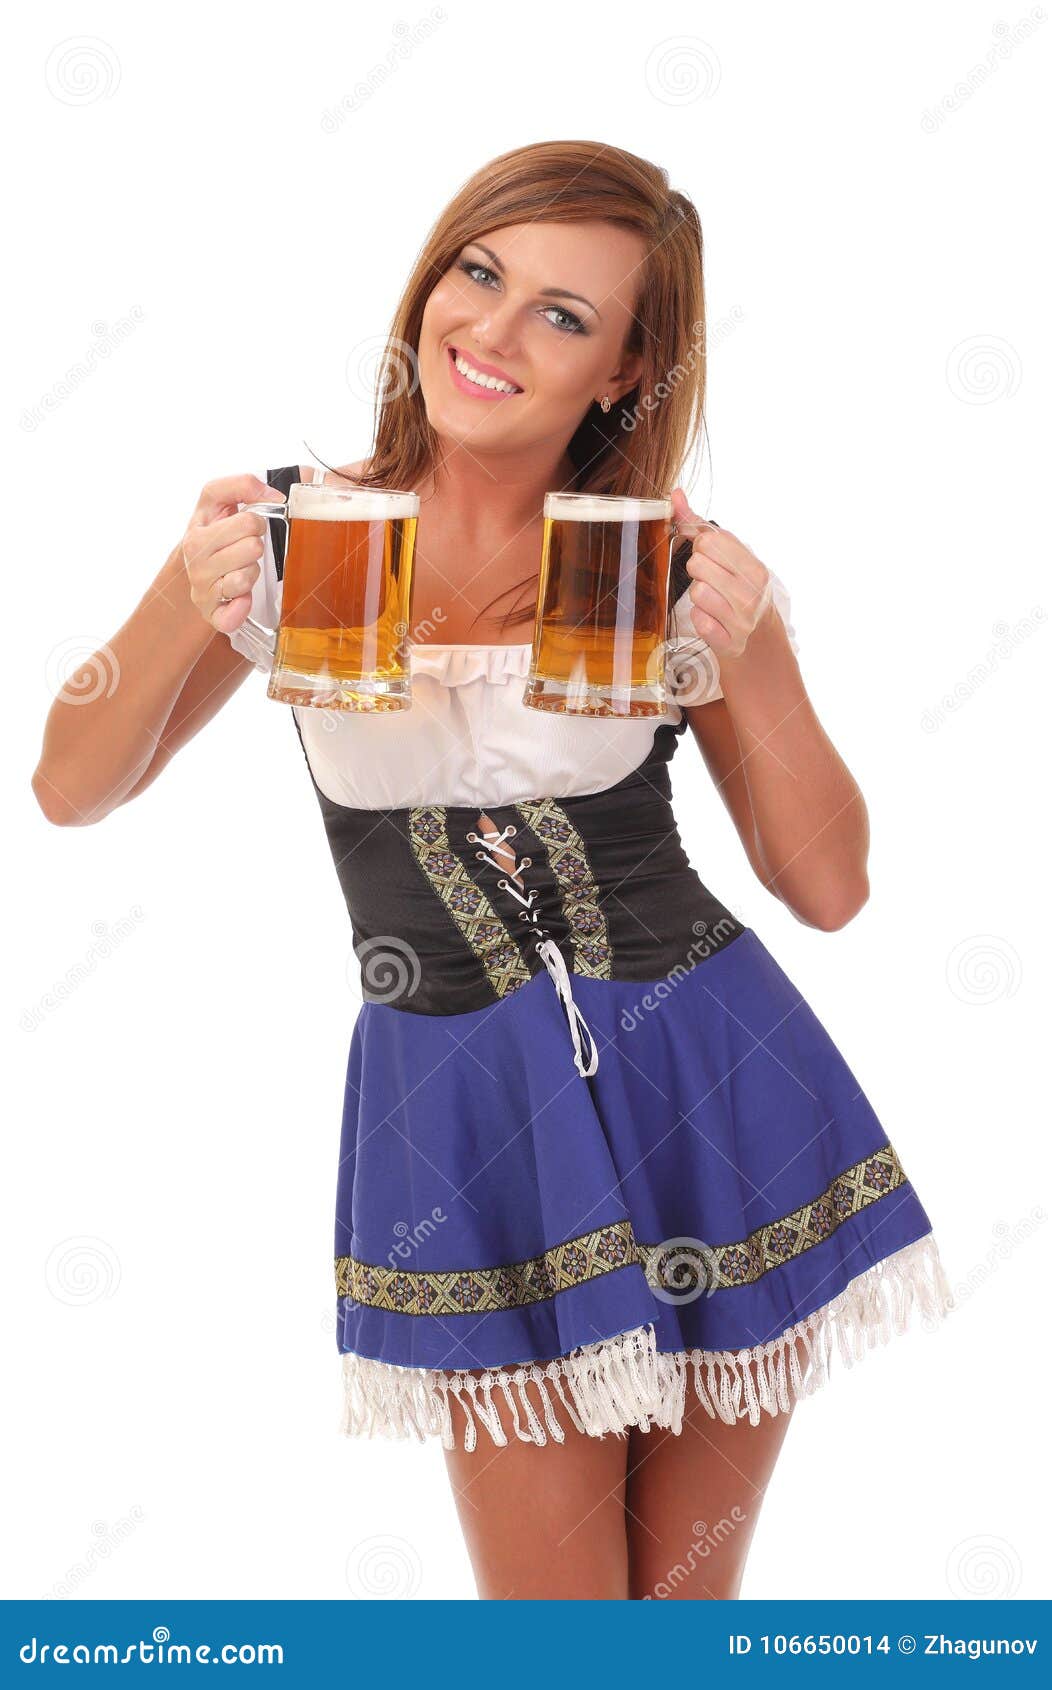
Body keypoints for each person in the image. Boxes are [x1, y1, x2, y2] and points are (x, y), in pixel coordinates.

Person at [32, 140, 953, 1601]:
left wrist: (760, 653)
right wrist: (176, 599)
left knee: (681, 1617)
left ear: (627, 371)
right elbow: (71, 786)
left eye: (563, 316)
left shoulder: (643, 560)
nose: (492, 333)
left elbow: (828, 885)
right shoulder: (302, 533)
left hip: (710, 1081)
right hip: (466, 1111)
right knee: (554, 1629)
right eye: (480, 273)